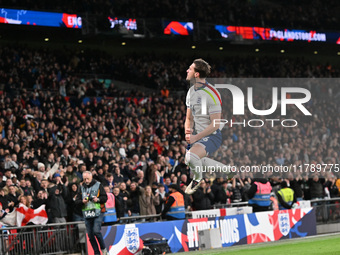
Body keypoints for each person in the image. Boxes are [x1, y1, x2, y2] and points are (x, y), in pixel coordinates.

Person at [184, 58, 227, 195]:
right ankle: (227, 170)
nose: (187, 70)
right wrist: (188, 132)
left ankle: (197, 178)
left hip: (212, 135)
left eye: (190, 68)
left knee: (191, 158)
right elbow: (189, 117)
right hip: (197, 135)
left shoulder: (212, 94)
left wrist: (196, 136)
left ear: (197, 74)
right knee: (189, 160)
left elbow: (216, 124)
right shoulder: (191, 91)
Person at [76, 171, 108, 255]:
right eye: (84, 179)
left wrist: (98, 199)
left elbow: (105, 197)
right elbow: (77, 201)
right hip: (87, 213)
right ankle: (96, 253)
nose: (86, 181)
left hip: (98, 212)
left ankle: (104, 249)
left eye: (88, 179)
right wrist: (82, 201)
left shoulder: (98, 184)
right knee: (90, 235)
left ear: (91, 177)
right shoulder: (81, 187)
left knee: (96, 231)